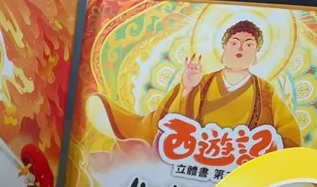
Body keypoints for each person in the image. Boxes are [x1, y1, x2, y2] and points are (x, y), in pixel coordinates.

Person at [89, 20, 300, 149]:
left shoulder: (265, 91)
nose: (240, 49)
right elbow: (171, 120)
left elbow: (287, 130)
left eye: (249, 45)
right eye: (234, 43)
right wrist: (188, 88)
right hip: (193, 156)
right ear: (223, 51)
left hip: (239, 162)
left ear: (256, 56)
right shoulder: (203, 81)